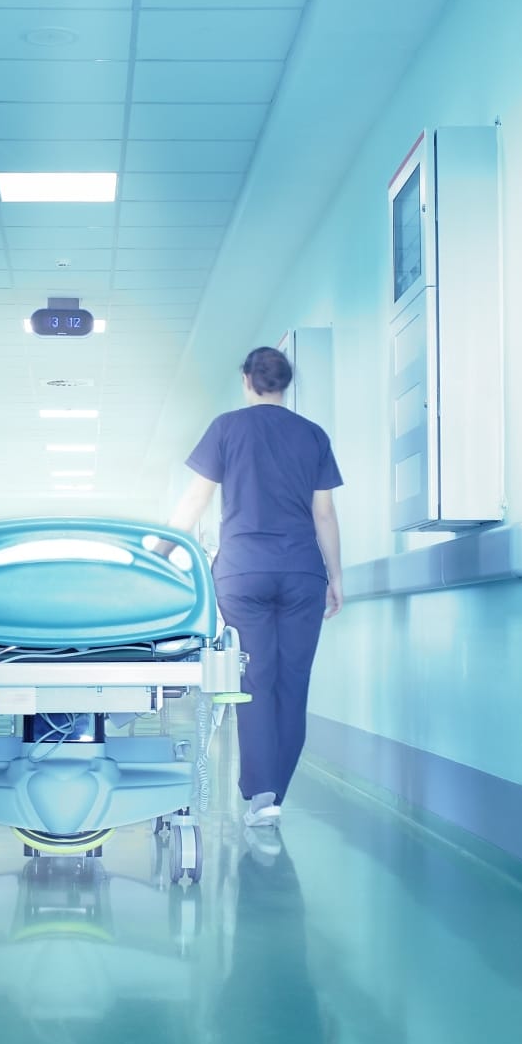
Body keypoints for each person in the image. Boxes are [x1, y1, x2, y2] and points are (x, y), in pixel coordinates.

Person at [167, 346, 344, 832]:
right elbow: (323, 514)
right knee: (293, 683)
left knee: (255, 682)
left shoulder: (227, 428)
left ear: (247, 379)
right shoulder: (313, 436)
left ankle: (261, 793)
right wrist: (337, 576)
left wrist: (159, 555)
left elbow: (195, 501)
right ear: (285, 384)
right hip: (303, 572)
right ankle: (273, 794)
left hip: (243, 572)